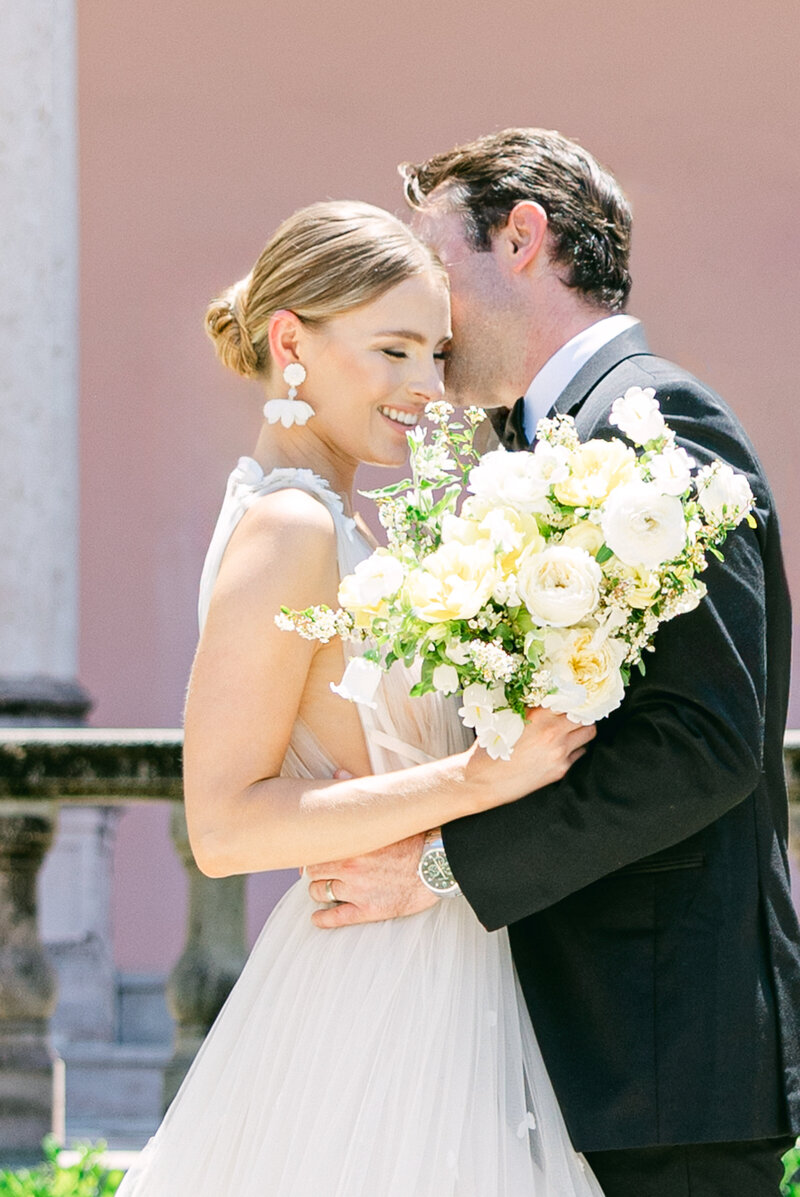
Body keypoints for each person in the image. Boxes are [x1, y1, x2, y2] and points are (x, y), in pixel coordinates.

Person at [308, 130, 800, 1197]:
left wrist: (439, 868)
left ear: (521, 239)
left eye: (430, 262)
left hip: (658, 1052)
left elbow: (701, 745)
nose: (419, 310)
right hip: (564, 1049)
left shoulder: (652, 424)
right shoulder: (536, 443)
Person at [116, 199, 602, 1196]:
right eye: (392, 351)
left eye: (434, 352)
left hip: (444, 968)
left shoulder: (329, 517)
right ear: (290, 339)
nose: (426, 386)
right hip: (370, 995)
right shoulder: (287, 526)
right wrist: (477, 777)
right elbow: (224, 827)